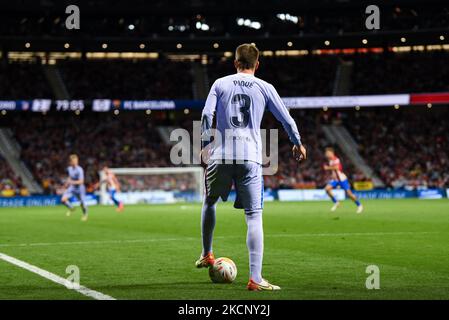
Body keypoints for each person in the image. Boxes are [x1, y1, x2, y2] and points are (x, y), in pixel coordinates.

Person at [196, 43, 307, 291]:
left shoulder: (220, 83)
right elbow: (285, 118)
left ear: (235, 62)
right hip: (250, 158)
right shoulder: (265, 87)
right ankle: (255, 278)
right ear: (257, 64)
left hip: (221, 155)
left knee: (210, 201)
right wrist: (297, 142)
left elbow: (206, 115)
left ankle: (206, 253)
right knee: (254, 216)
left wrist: (205, 143)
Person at [323, 147, 363, 214]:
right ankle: (336, 202)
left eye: (327, 153)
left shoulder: (336, 159)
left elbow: (336, 167)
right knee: (327, 189)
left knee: (349, 194)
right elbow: (334, 170)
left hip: (342, 179)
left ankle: (359, 205)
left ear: (331, 153)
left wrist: (328, 168)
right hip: (335, 180)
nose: (326, 155)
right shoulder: (330, 161)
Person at [61, 154, 89, 221]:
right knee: (63, 200)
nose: (75, 162)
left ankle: (85, 214)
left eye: (76, 161)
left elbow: (81, 182)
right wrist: (66, 184)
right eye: (74, 161)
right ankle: (71, 208)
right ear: (70, 162)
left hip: (80, 188)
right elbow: (70, 177)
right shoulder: (69, 169)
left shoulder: (80, 170)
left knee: (82, 203)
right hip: (72, 187)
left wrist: (72, 182)